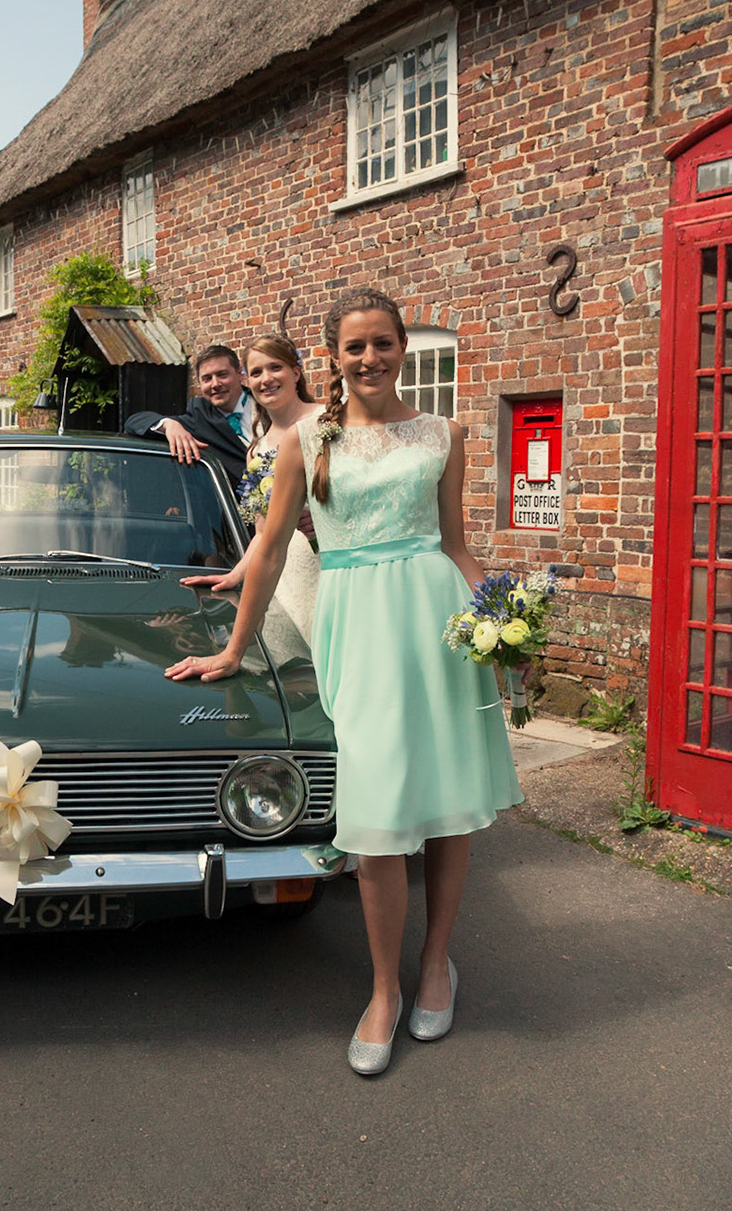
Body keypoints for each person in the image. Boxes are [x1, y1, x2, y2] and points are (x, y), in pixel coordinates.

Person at [166, 287, 520, 1078]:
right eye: (355, 347)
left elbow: (456, 547)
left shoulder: (444, 434)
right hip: (357, 626)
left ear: (402, 348)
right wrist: (233, 649)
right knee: (373, 811)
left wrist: (506, 625)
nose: (370, 358)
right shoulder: (307, 440)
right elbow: (267, 552)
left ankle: (436, 963)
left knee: (448, 798)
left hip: (438, 626)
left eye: (383, 343)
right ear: (333, 357)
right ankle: (384, 990)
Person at [181, 333, 323, 641]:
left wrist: (325, 518)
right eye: (257, 372)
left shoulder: (327, 421)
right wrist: (234, 575)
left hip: (333, 568)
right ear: (249, 379)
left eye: (275, 368)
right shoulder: (257, 450)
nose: (266, 379)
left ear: (296, 372)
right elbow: (263, 533)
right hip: (285, 578)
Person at [123, 343, 257, 487]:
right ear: (199, 383)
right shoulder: (199, 417)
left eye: (222, 375)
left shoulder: (266, 405)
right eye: (207, 378)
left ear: (240, 373)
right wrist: (169, 424)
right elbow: (133, 422)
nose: (215, 384)